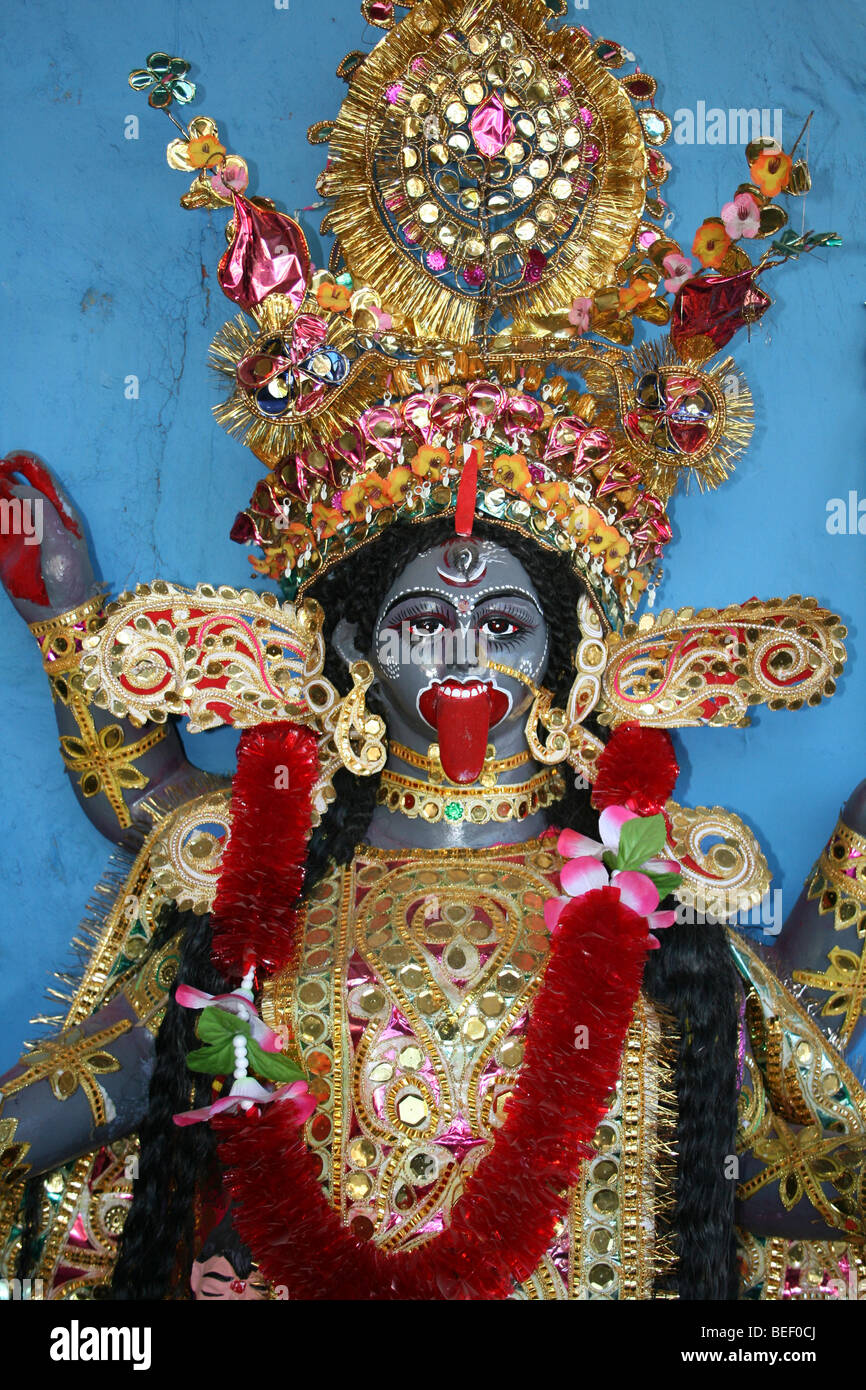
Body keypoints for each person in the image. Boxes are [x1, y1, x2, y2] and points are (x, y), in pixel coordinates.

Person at [1, 1, 863, 1300]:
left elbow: (791, 1133)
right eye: (420, 617)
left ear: (574, 658)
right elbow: (139, 804)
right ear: (351, 643)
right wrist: (67, 612)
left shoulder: (666, 913)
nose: (461, 648)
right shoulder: (260, 903)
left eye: (504, 621)